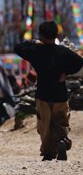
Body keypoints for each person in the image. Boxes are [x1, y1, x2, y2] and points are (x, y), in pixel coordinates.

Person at [16, 21, 83, 161]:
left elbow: (18, 48)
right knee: (61, 121)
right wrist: (67, 72)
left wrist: (34, 42)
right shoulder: (63, 52)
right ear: (56, 34)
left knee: (44, 125)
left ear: (41, 36)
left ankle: (48, 152)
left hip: (43, 95)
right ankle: (62, 141)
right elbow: (79, 62)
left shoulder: (36, 51)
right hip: (60, 94)